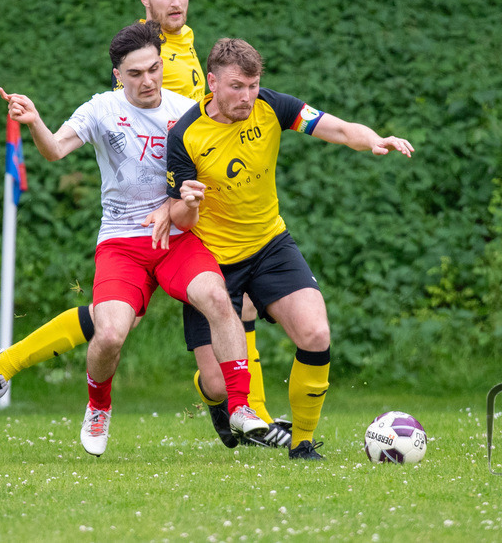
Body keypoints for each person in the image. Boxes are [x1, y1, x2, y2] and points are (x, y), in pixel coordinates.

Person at [0, 0, 290, 450]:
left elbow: (217, 153)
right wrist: (34, 119)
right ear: (118, 74)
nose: (148, 80)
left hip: (183, 235)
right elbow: (55, 151)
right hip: (123, 239)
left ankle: (245, 410)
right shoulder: (101, 108)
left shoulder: (186, 110)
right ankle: (97, 408)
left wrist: (196, 194)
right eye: (136, 73)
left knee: (222, 300)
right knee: (111, 330)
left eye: (154, 70)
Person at [165, 37, 414, 459]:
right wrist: (188, 205)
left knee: (315, 333)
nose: (246, 96)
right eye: (236, 87)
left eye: (253, 85)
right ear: (212, 82)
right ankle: (216, 402)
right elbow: (177, 216)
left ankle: (301, 444)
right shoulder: (185, 135)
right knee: (218, 384)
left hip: (269, 246)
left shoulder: (272, 106)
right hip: (210, 261)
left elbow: (334, 127)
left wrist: (371, 138)